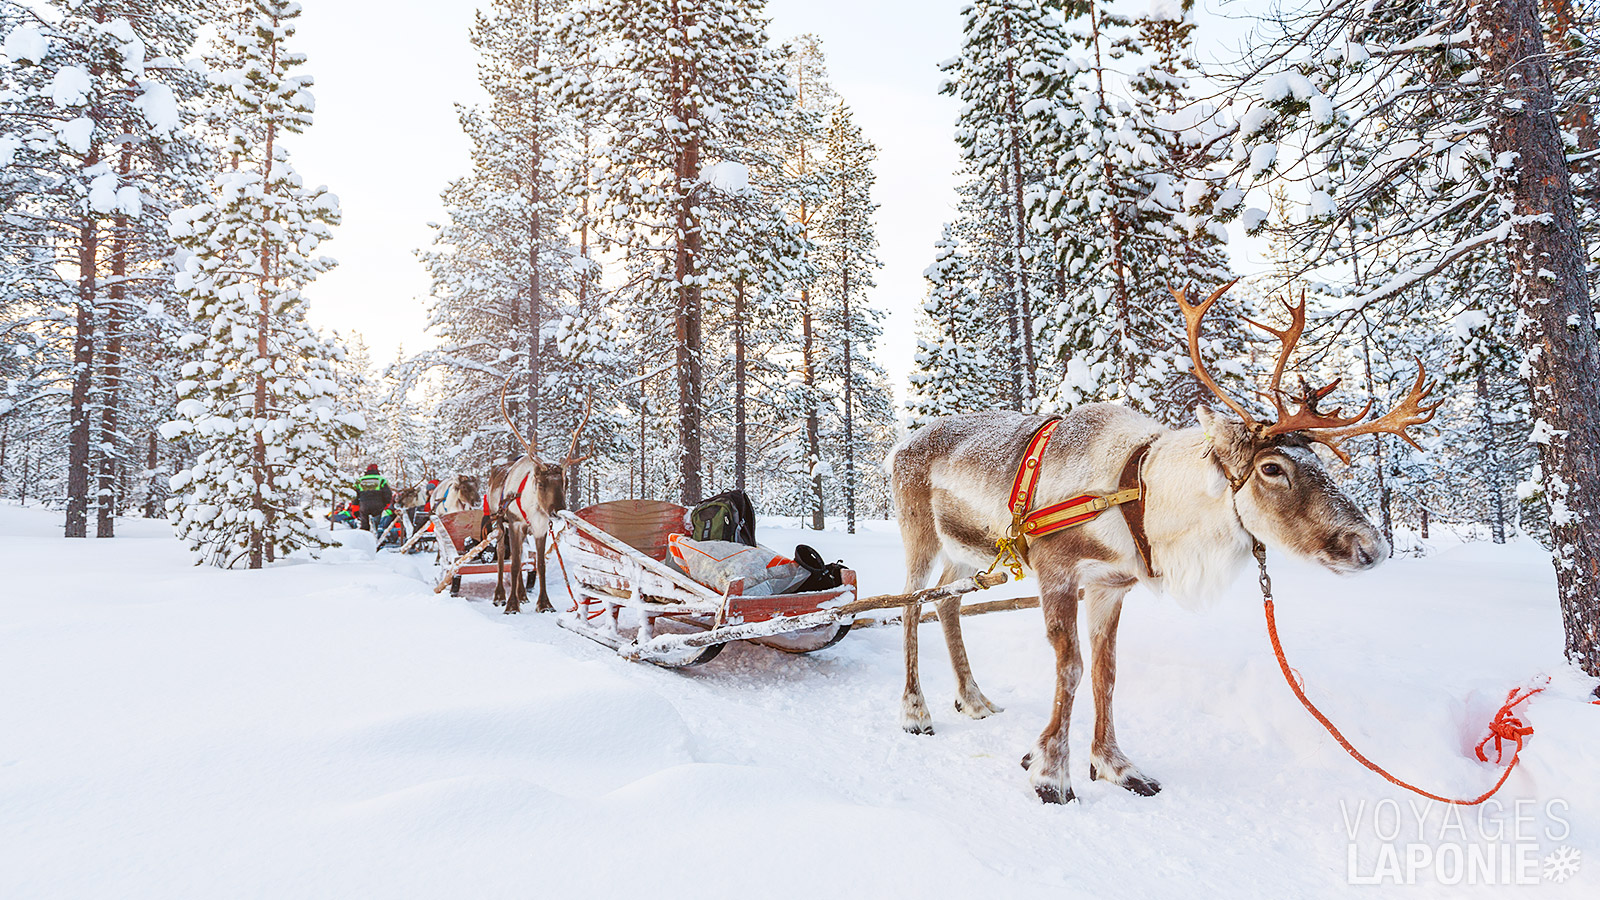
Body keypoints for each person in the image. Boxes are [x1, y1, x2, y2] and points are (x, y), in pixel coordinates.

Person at [353, 464, 392, 532]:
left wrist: (355, 507)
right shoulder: (381, 479)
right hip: (378, 504)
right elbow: (387, 493)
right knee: (377, 523)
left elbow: (354, 495)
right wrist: (387, 504)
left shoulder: (360, 480)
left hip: (364, 504)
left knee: (364, 524)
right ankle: (376, 534)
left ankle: (365, 536)